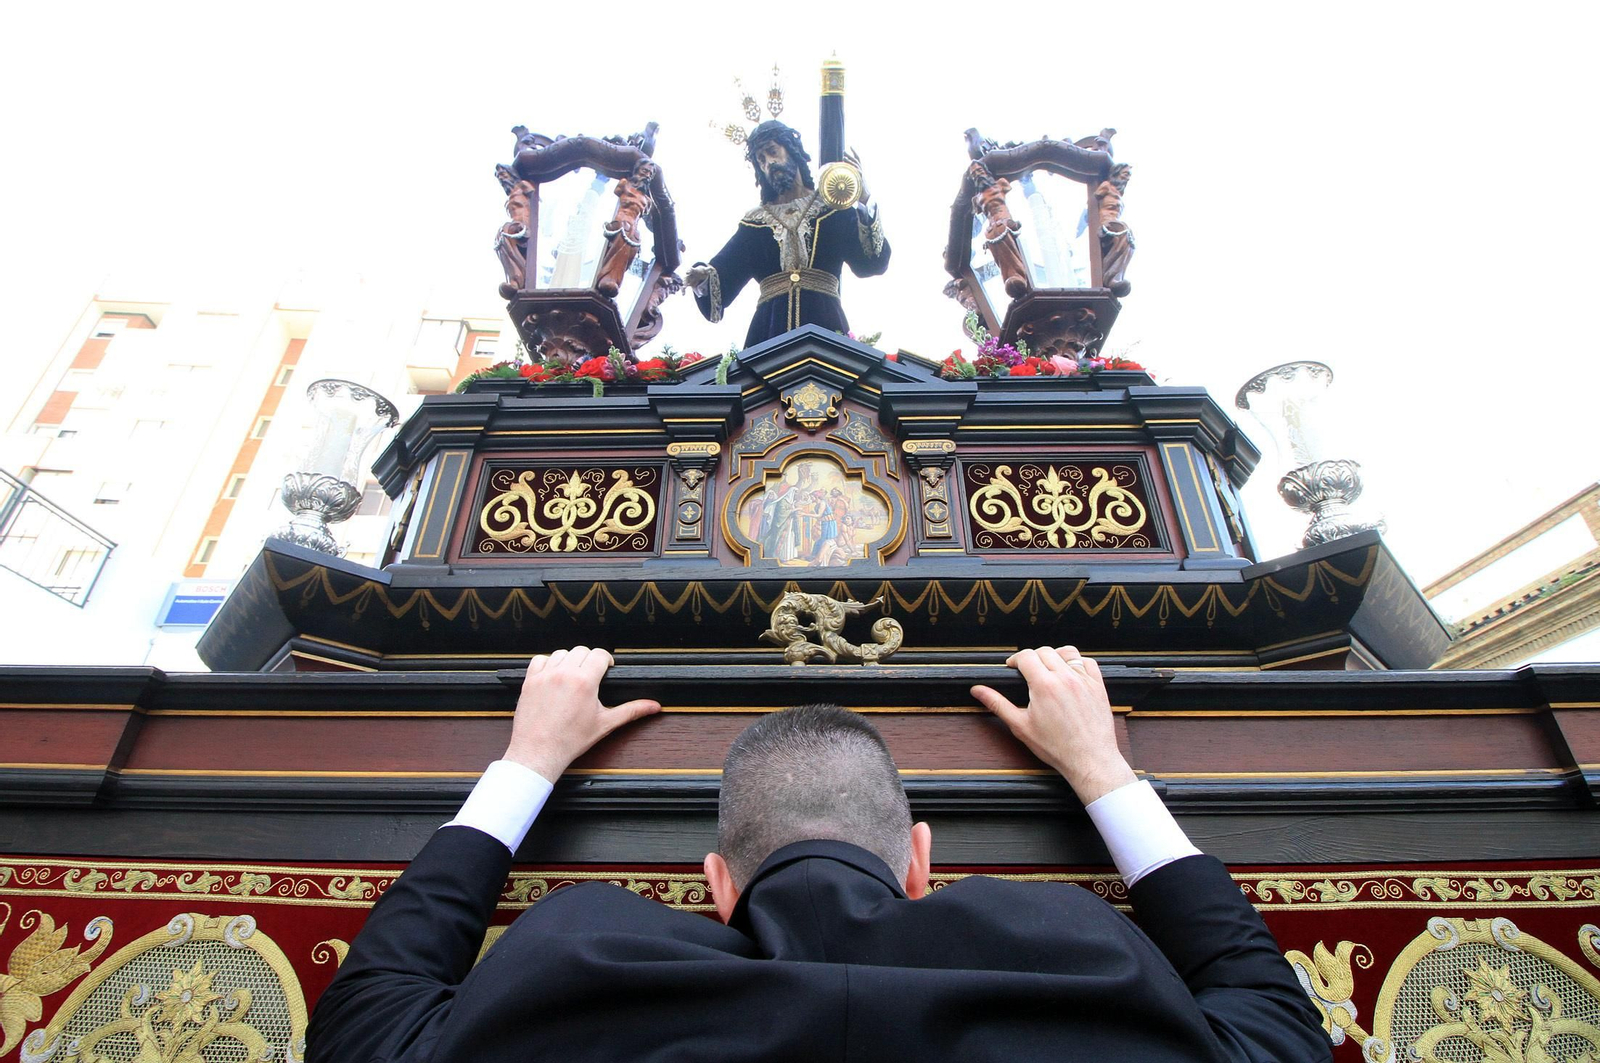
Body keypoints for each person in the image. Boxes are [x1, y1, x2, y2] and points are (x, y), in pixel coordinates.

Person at [307, 645, 1330, 1063]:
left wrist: (527, 761)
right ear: (918, 859)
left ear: (716, 884)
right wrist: (1103, 769)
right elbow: (1276, 1024)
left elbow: (364, 1021)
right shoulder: (1076, 952)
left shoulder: (574, 958)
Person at [685, 121, 891, 347]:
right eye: (761, 160)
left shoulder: (831, 209)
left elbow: (871, 262)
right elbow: (721, 282)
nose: (769, 163)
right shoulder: (755, 222)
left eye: (773, 152)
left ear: (791, 150)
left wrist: (864, 200)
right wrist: (702, 278)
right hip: (768, 334)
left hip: (826, 329)